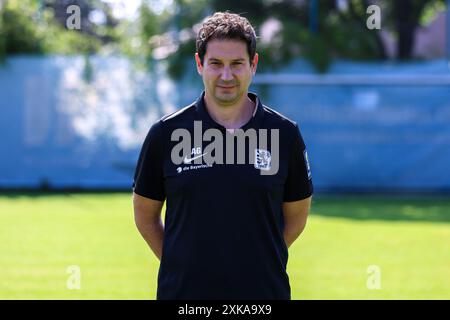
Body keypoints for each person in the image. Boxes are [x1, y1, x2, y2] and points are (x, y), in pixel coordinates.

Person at [133, 11, 313, 300]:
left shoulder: (284, 134)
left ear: (253, 65)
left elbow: (296, 217)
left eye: (237, 64)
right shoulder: (165, 134)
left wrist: (257, 262)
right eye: (216, 64)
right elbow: (145, 215)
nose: (226, 75)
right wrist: (182, 264)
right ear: (199, 63)